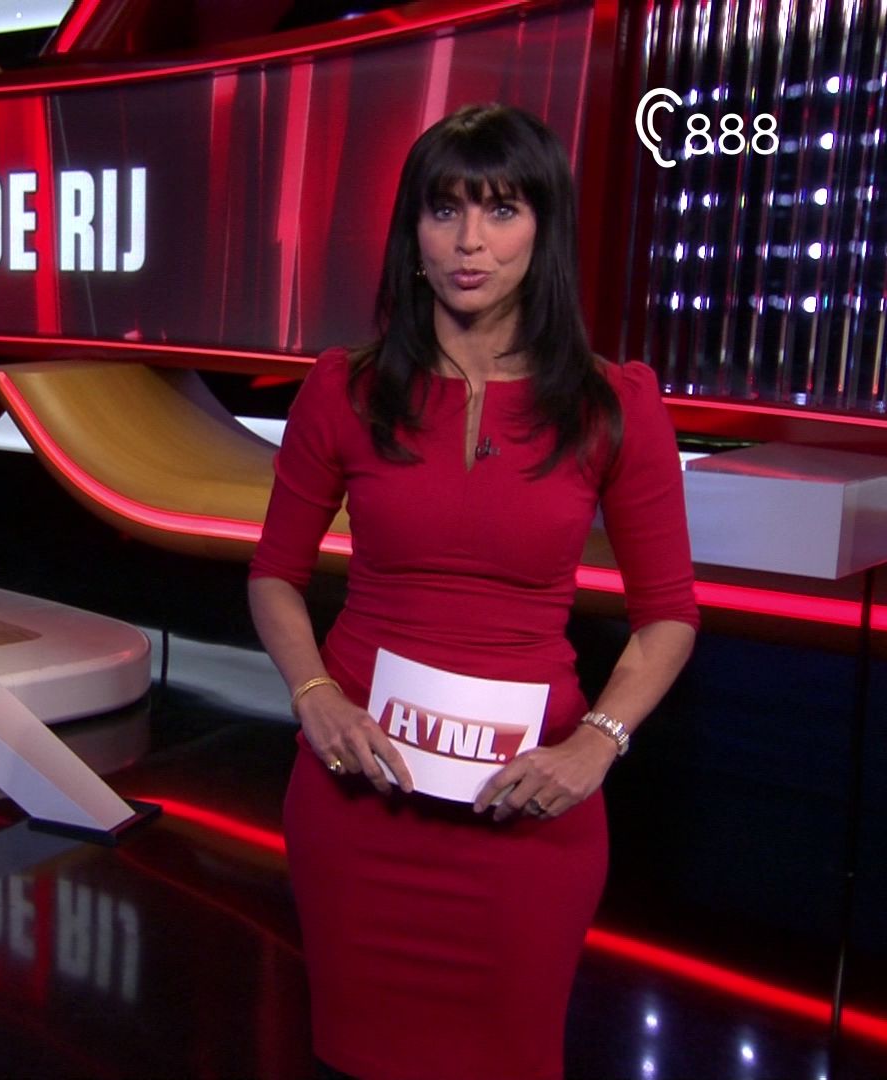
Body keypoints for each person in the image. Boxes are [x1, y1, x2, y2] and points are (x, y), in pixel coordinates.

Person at [247, 103, 700, 1080]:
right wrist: (314, 695)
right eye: (445, 210)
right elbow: (274, 576)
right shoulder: (344, 390)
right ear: (412, 232)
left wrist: (599, 742)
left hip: (525, 814)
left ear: (543, 228)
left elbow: (668, 616)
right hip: (358, 804)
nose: (469, 242)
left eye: (501, 210)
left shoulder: (612, 405)